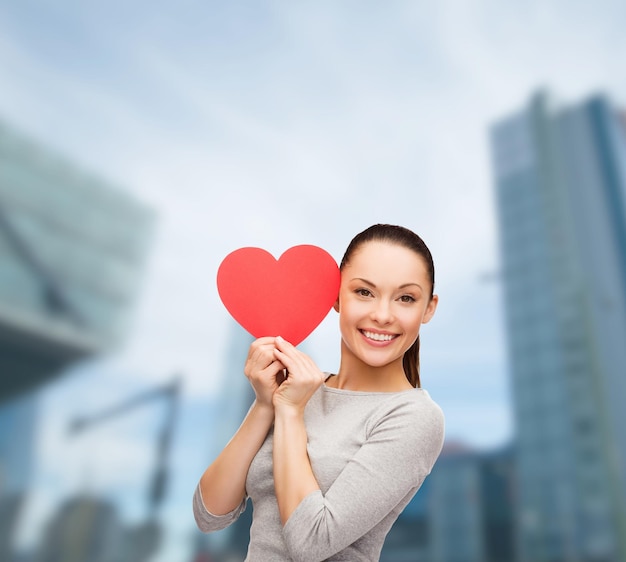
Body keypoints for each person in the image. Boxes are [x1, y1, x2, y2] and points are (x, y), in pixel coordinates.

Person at [193, 223, 445, 561]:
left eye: (406, 298)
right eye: (364, 292)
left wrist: (291, 413)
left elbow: (312, 542)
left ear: (428, 308)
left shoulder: (414, 417)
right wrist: (266, 404)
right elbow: (210, 515)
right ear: (336, 296)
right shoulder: (297, 388)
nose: (382, 315)